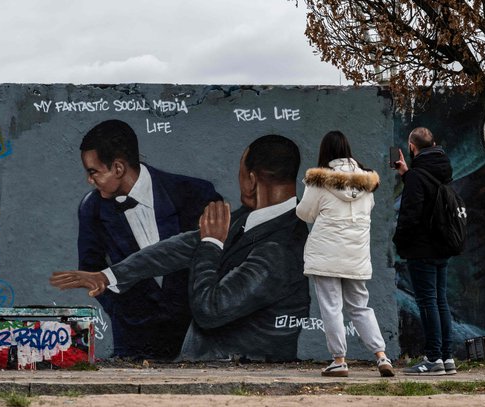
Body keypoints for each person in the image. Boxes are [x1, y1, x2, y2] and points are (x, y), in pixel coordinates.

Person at [52, 134, 311, 362]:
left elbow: (210, 309)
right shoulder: (249, 218)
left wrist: (211, 244)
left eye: (241, 173)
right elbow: (180, 247)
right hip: (209, 363)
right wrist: (108, 276)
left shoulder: (280, 249)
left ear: (252, 180)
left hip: (242, 374)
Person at [77, 119, 222, 360]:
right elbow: (90, 267)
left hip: (194, 340)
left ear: (118, 168)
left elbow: (219, 253)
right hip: (134, 343)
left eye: (93, 172)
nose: (89, 180)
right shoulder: (91, 208)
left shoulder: (195, 193)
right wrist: (123, 310)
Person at [296, 130, 395, 378]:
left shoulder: (319, 181)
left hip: (326, 254)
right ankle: (381, 356)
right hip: (356, 255)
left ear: (325, 152)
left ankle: (339, 361)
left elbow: (305, 213)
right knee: (360, 306)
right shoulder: (368, 183)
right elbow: (367, 211)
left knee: (331, 307)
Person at [392, 127, 456, 375]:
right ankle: (446, 357)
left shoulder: (419, 176)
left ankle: (432, 359)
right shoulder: (444, 171)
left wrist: (399, 241)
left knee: (427, 302)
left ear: (411, 147)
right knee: (440, 300)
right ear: (435, 144)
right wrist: (407, 175)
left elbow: (410, 215)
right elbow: (427, 193)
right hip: (443, 245)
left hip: (421, 249)